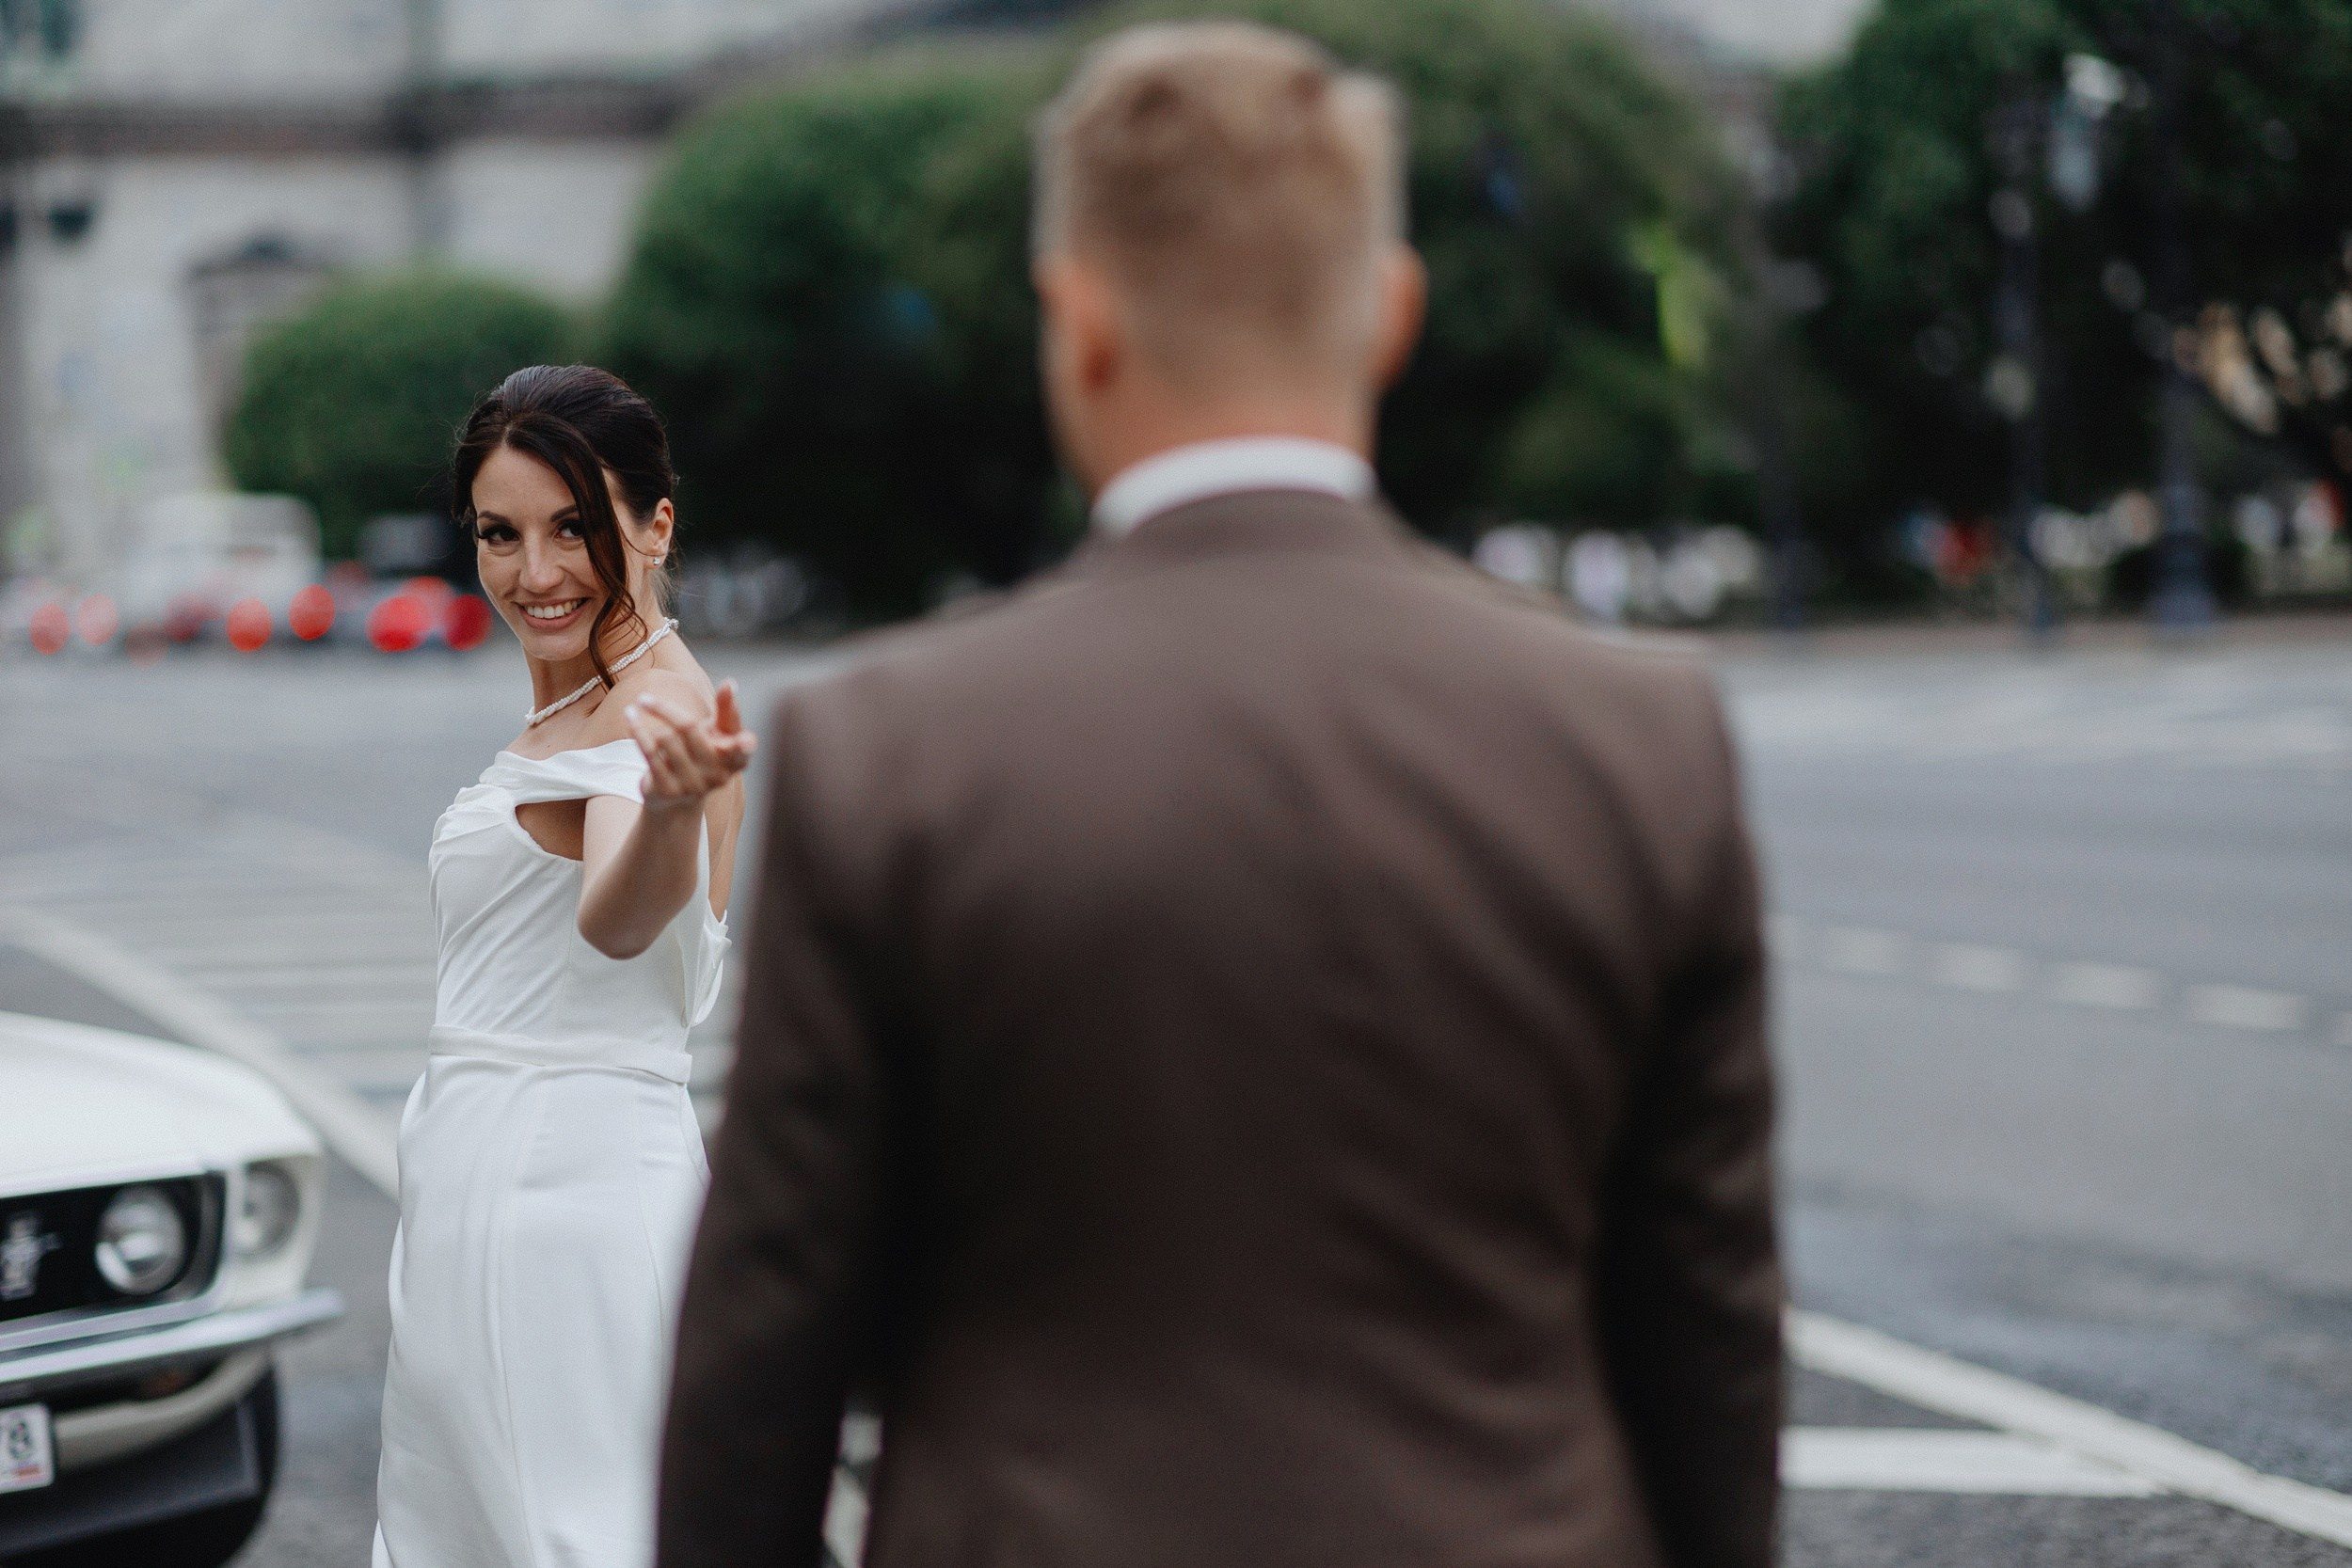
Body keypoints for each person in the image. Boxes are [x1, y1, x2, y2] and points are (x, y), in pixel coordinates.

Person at [660, 21, 1781, 1568]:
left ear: (1078, 321)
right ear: (1390, 316)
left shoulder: (890, 749)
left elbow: (765, 1355)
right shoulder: (1640, 736)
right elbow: (1708, 1332)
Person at [374, 364, 756, 1568]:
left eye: (574, 528)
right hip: (486, 1183)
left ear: (653, 526)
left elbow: (620, 916)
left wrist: (672, 810)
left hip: (565, 1200)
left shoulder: (658, 715)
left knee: (575, 1537)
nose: (534, 573)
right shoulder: (576, 708)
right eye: (500, 532)